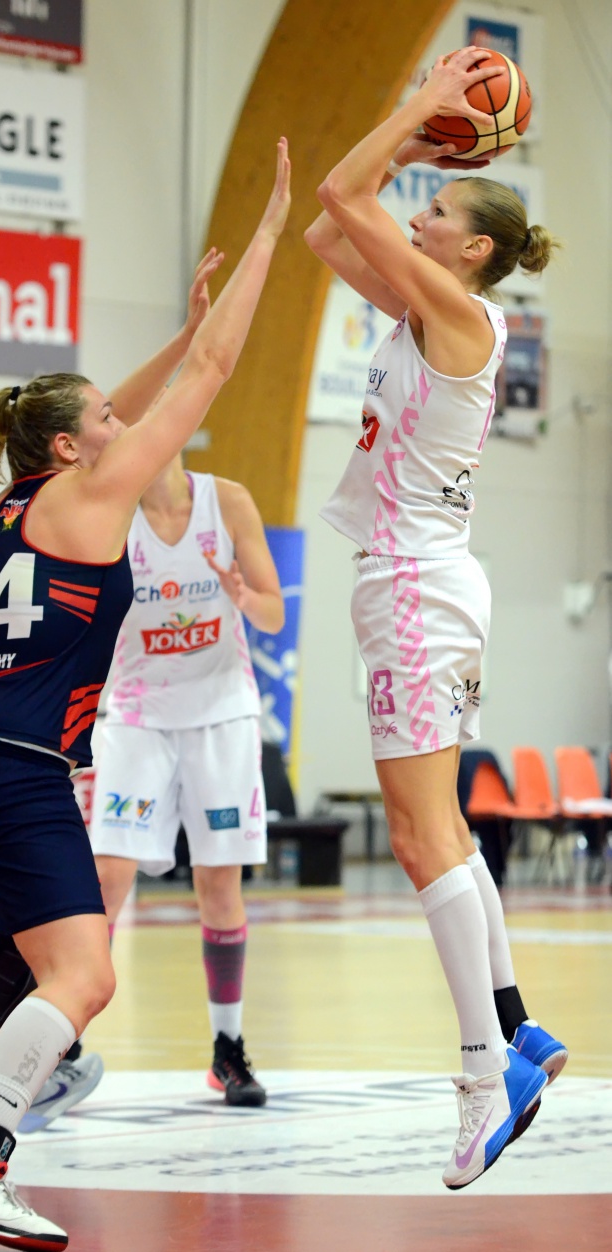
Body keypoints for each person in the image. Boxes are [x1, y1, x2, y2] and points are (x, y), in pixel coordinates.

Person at [0, 140, 291, 1252]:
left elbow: (134, 399)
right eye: (103, 419)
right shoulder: (92, 498)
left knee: (10, 968)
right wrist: (267, 234)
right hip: (12, 762)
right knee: (83, 974)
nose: (122, 427)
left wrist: (176, 337)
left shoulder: (14, 504)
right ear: (70, 444)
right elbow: (216, 371)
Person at [304, 49, 566, 1190]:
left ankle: (480, 1074)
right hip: (423, 582)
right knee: (443, 830)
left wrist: (416, 109)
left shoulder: (456, 314)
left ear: (471, 251)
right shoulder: (430, 308)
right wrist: (419, 141)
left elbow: (337, 193)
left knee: (417, 838)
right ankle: (513, 1025)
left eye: (439, 210)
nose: (416, 214)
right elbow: (329, 233)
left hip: (414, 586)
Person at [22, 451, 284, 1131]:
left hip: (221, 712)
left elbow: (274, 614)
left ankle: (228, 1046)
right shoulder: (111, 513)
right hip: (138, 713)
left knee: (219, 884)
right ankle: (65, 1046)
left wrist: (242, 596)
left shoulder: (227, 500)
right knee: (107, 879)